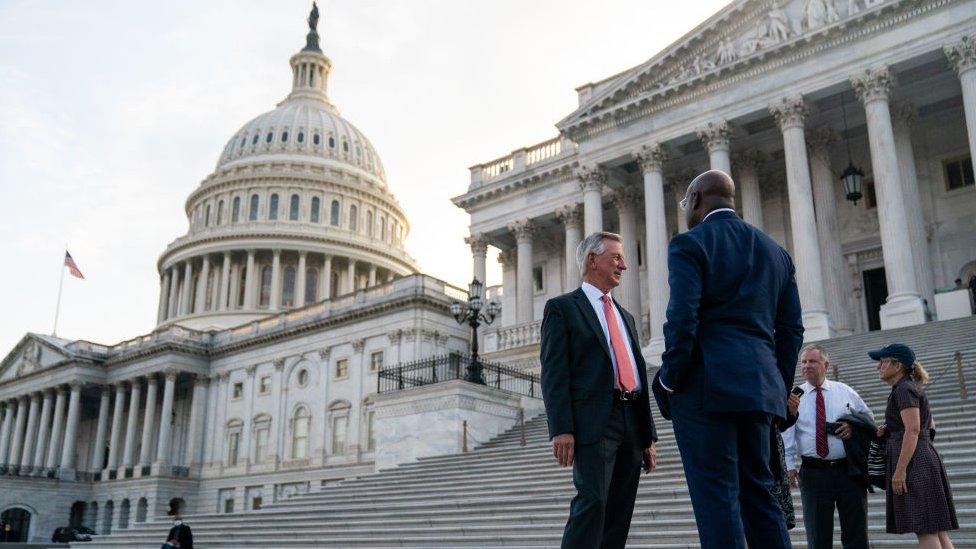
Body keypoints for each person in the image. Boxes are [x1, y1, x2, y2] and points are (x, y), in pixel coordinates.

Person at [652, 170, 803, 549]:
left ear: (698, 199)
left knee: (717, 499)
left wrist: (669, 379)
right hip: (760, 390)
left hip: (706, 389)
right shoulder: (776, 253)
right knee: (761, 495)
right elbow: (791, 331)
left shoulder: (690, 245)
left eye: (687, 203)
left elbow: (682, 320)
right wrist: (778, 387)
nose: (687, 210)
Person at [540, 231, 658, 549]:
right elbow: (554, 373)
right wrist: (561, 428)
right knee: (591, 505)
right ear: (593, 260)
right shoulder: (562, 309)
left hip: (631, 422)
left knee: (620, 513)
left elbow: (637, 375)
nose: (624, 264)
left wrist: (647, 436)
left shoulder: (626, 317)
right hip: (594, 422)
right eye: (616, 257)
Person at [782, 344, 874, 549]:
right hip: (814, 473)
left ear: (826, 365)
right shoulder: (794, 396)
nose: (806, 366)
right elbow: (786, 431)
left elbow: (868, 418)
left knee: (856, 534)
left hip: (848, 471)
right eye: (803, 362)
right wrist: (788, 465)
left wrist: (852, 427)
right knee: (818, 535)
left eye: (812, 361)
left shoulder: (845, 391)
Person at [873, 343, 958, 549]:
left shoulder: (903, 389)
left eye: (883, 361)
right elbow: (929, 426)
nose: (878, 367)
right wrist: (892, 430)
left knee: (926, 531)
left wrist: (900, 471)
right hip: (922, 460)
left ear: (897, 365)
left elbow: (913, 429)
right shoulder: (909, 387)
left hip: (914, 465)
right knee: (937, 531)